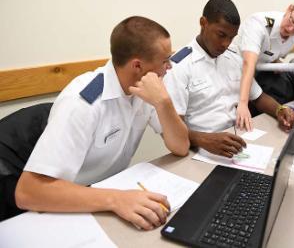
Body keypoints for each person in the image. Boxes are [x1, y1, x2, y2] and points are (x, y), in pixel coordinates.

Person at [15, 16, 190, 231]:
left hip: (108, 196)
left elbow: (181, 147)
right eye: (164, 60)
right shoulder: (82, 103)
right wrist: (116, 200)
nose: (169, 67)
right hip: (72, 206)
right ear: (137, 65)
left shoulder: (148, 88)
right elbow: (27, 192)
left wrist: (164, 103)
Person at [164, 0, 294, 158]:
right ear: (203, 23)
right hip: (202, 150)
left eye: (232, 37)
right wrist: (205, 140)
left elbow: (258, 97)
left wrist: (279, 109)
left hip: (239, 141)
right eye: (221, 35)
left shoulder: (234, 56)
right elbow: (173, 128)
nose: (226, 43)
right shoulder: (179, 66)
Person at [230, 0, 294, 131]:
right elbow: (248, 64)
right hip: (238, 73)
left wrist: (276, 63)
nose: (291, 29)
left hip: (260, 75)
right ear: (289, 9)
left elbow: (272, 53)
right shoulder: (259, 23)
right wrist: (243, 103)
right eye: (293, 21)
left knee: (284, 88)